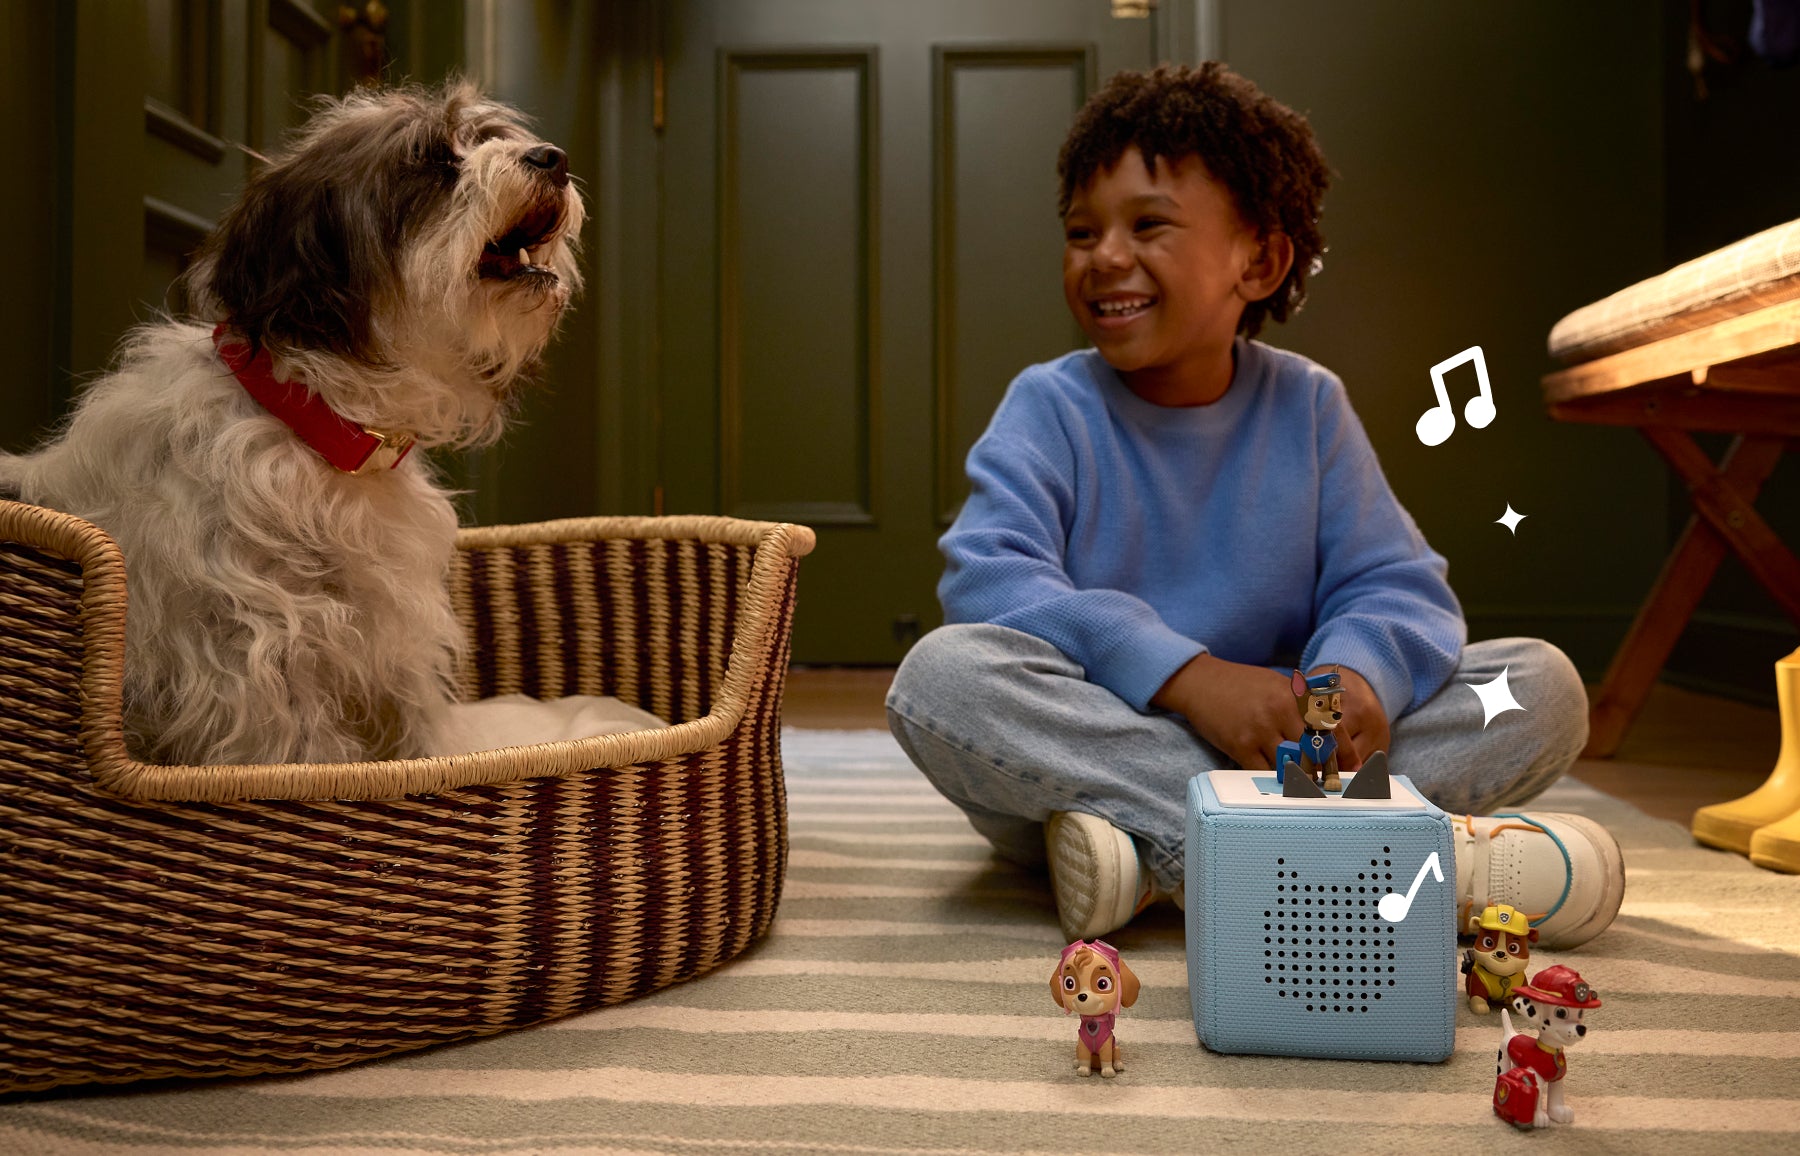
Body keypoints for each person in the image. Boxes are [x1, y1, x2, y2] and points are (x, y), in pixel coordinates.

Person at [884, 63, 1623, 947]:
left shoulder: (1309, 406)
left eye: (1148, 225)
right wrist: (1191, 680)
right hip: (1106, 743)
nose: (1105, 256)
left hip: (1293, 756)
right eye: (1082, 232)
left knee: (1542, 686)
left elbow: (1395, 584)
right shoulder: (1048, 405)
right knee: (942, 679)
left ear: (1261, 260)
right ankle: (1362, 859)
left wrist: (1353, 680)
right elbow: (991, 581)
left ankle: (1156, 862)